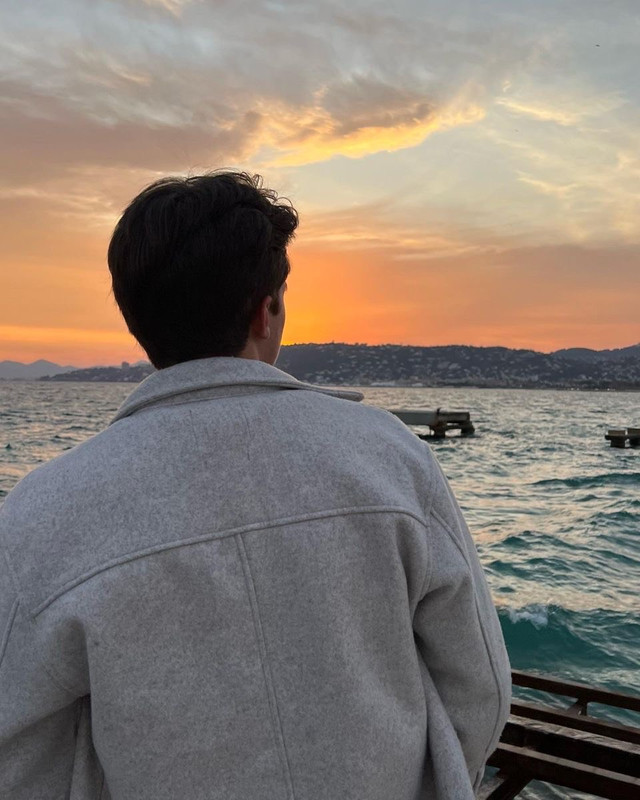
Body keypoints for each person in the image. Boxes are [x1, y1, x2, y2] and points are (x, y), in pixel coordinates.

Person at [0, 172, 510, 799]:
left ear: (138, 322)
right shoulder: (392, 459)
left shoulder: (41, 512)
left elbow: (17, 748)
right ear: (265, 310)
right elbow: (481, 687)